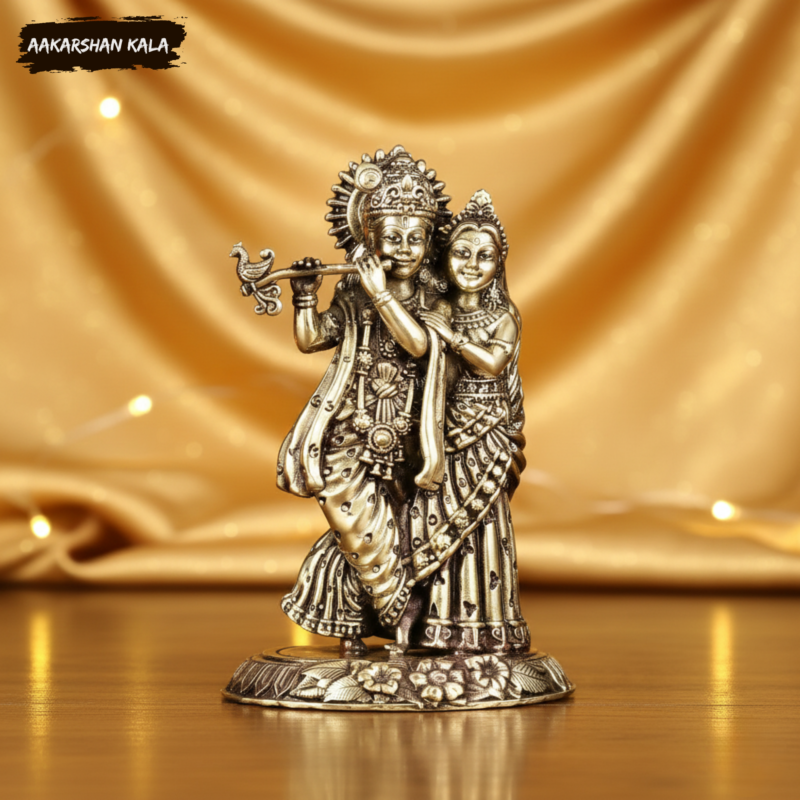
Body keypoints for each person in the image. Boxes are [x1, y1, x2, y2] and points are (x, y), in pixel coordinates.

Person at [278, 147, 452, 655]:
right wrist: (305, 296)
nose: (404, 249)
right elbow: (313, 339)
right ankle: (401, 613)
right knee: (358, 530)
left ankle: (385, 623)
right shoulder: (353, 292)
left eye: (415, 238)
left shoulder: (435, 294)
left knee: (403, 533)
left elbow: (419, 345)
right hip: (349, 433)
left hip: (412, 437)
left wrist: (381, 294)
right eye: (392, 238)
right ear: (370, 241)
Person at [412, 189, 531, 653]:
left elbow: (494, 364)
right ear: (445, 258)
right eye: (462, 253)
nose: (472, 265)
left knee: (484, 521)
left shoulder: (503, 316)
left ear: (498, 265)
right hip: (444, 427)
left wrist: (453, 339)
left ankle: (491, 627)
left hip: (488, 431)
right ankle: (438, 623)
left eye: (485, 256)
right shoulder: (437, 308)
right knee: (439, 517)